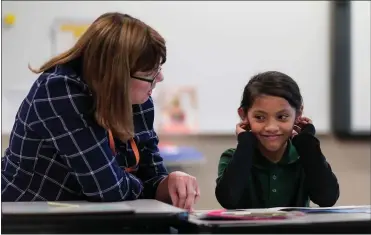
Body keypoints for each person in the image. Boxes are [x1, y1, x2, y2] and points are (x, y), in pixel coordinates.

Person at [1, 12, 200, 210]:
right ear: (117, 75)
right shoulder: (59, 90)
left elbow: (152, 174)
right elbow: (107, 188)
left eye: (158, 68)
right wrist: (148, 187)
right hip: (22, 216)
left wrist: (171, 181)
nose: (159, 78)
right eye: (150, 73)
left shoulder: (138, 100)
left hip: (82, 217)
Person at [215, 71, 339, 209]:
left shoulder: (306, 156)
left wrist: (307, 143)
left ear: (298, 114)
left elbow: (327, 199)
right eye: (260, 117)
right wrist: (245, 144)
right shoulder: (232, 157)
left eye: (282, 117)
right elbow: (228, 199)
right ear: (244, 115)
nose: (271, 127)